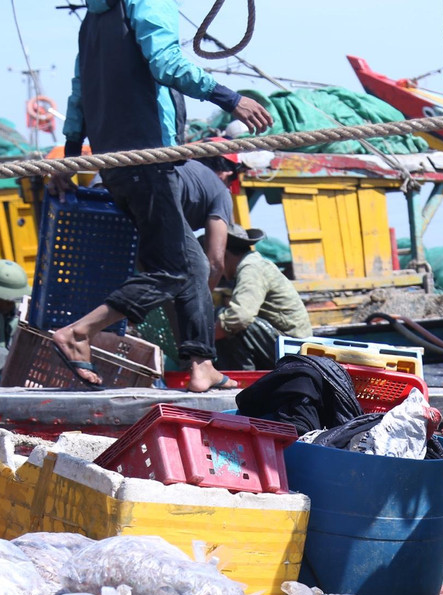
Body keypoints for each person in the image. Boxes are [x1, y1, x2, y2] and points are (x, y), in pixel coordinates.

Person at [47, 0, 273, 392]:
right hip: (149, 157)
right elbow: (166, 63)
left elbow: (80, 91)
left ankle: (202, 365)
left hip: (116, 163)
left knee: (194, 266)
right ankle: (79, 333)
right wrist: (229, 98)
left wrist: (70, 156)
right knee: (172, 271)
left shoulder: (95, 19)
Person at [215, 225, 312, 370]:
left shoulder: (251, 268)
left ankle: (244, 377)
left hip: (293, 349)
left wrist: (207, 339)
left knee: (229, 322)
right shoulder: (252, 264)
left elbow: (241, 316)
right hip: (288, 345)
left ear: (225, 255)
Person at [176, 157, 234, 291]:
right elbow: (215, 263)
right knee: (198, 268)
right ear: (226, 174)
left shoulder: (185, 166)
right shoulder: (221, 191)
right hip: (162, 208)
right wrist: (201, 302)